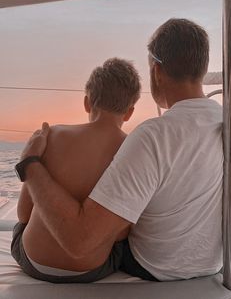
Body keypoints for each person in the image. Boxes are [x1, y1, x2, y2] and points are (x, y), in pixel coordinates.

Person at [12, 18, 223, 283]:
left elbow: (78, 241)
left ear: (156, 71)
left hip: (151, 266)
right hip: (213, 264)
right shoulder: (227, 123)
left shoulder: (152, 136)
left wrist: (30, 163)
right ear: (202, 69)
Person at [11, 58, 141, 283]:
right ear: (129, 112)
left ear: (87, 103)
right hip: (91, 270)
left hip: (33, 260)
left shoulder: (50, 136)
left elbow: (23, 214)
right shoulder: (133, 150)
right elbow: (121, 232)